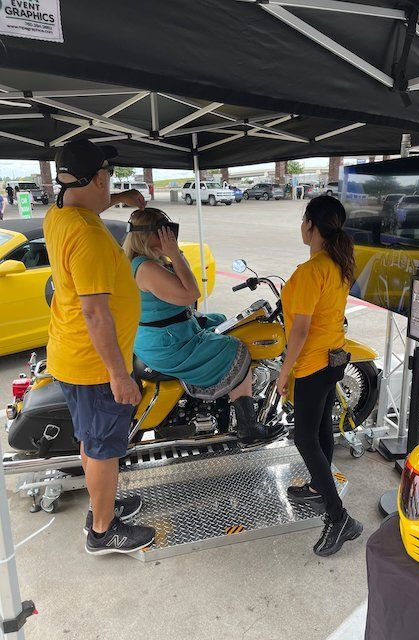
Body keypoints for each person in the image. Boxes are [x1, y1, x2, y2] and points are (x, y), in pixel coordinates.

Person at [44, 138, 156, 555]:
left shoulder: (62, 213)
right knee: (104, 449)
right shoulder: (88, 236)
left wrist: (120, 198)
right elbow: (96, 313)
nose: (112, 181)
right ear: (95, 178)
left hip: (70, 354)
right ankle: (103, 530)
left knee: (92, 441)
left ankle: (101, 503)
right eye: (109, 175)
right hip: (94, 366)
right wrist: (119, 374)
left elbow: (86, 206)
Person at [123, 207, 284, 447]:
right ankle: (248, 427)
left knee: (220, 320)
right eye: (166, 232)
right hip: (170, 344)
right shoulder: (146, 268)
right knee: (235, 349)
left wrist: (173, 255)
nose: (171, 236)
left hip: (169, 332)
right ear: (150, 236)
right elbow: (191, 293)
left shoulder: (147, 262)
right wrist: (175, 254)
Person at [277, 195, 363, 556]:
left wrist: (284, 372)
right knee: (322, 430)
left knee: (304, 438)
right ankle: (318, 485)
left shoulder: (311, 271)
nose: (301, 227)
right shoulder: (338, 263)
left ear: (311, 226)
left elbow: (298, 331)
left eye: (303, 221)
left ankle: (339, 517)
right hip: (335, 359)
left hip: (313, 364)